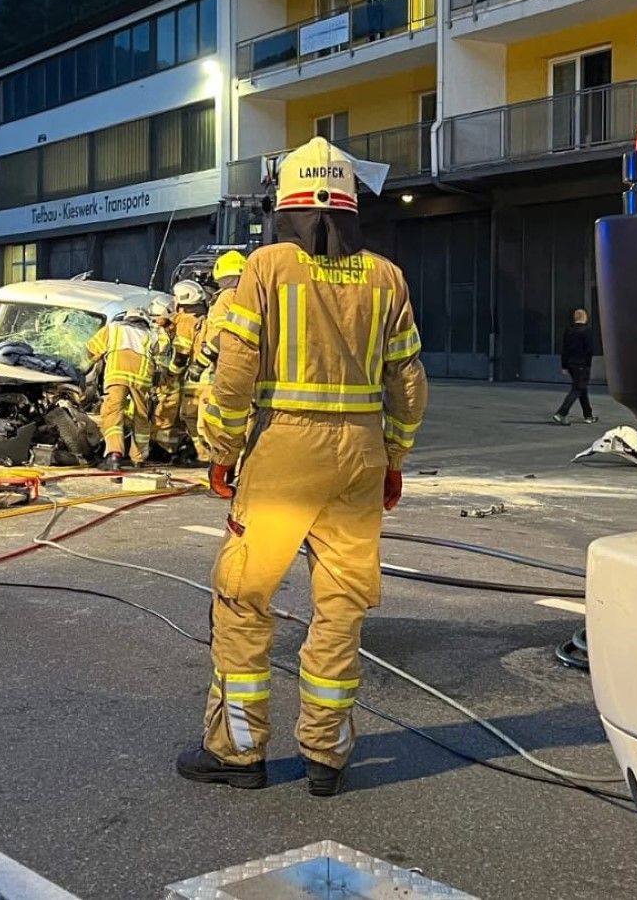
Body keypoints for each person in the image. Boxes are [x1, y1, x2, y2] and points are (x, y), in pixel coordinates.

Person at [182, 137, 428, 797]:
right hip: (361, 457)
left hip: (285, 454)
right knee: (342, 604)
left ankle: (237, 753)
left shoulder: (265, 268)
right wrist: (394, 458)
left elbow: (233, 374)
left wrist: (222, 450)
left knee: (243, 598)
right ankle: (328, 754)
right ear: (350, 205)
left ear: (284, 204)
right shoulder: (386, 277)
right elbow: (408, 384)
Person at [188, 251, 246, 452]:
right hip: (247, 368)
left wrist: (201, 361)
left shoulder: (226, 298)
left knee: (212, 418)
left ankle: (221, 466)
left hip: (225, 366)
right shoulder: (251, 297)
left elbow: (223, 334)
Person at [84, 307, 154, 471]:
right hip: (142, 381)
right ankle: (138, 459)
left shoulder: (113, 328)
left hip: (117, 376)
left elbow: (90, 350)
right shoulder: (152, 335)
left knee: (112, 414)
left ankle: (114, 455)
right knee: (142, 417)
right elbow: (161, 363)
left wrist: (96, 360)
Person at [157, 280, 209, 465]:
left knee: (192, 416)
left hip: (197, 378)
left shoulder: (186, 321)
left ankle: (204, 455)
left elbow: (181, 354)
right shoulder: (204, 318)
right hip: (210, 375)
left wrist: (170, 375)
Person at [552, 308, 598, 425]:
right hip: (581, 364)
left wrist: (564, 366)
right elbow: (589, 349)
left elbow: (564, 349)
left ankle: (588, 415)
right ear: (584, 317)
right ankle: (562, 413)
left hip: (571, 364)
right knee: (577, 389)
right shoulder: (586, 331)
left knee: (582, 388)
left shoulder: (569, 330)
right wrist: (588, 365)